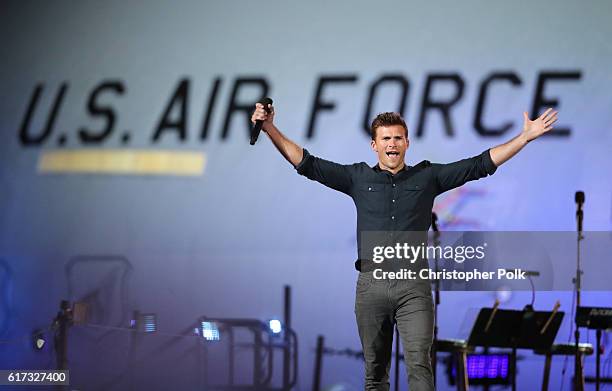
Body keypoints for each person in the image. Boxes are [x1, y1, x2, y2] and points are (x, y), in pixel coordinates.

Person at [251, 104, 558, 390]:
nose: (392, 144)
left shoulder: (427, 177)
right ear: (375, 145)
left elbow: (480, 164)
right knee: (375, 374)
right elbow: (307, 163)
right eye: (386, 138)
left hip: (414, 285)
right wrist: (270, 129)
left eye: (398, 137)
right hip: (371, 285)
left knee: (420, 370)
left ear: (407, 143)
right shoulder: (357, 177)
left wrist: (525, 138)